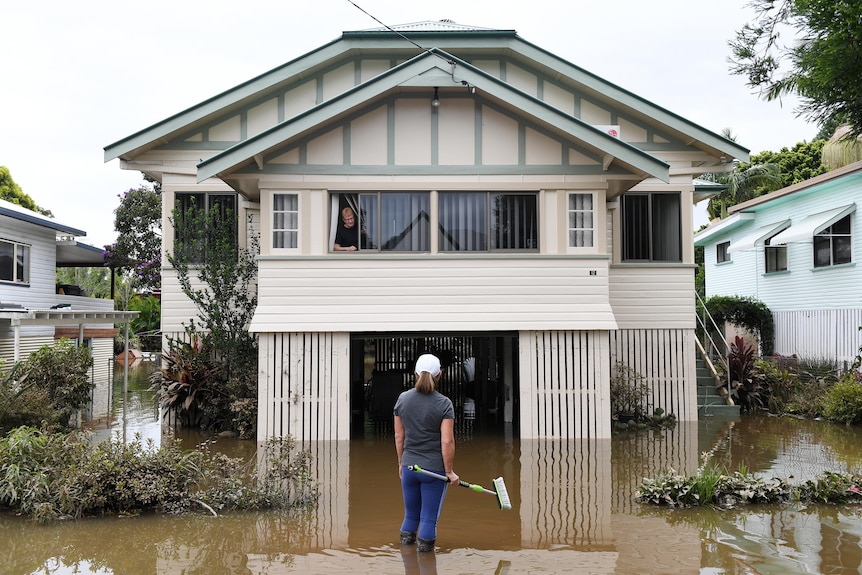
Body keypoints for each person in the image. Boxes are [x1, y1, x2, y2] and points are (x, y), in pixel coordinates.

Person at [394, 353, 458, 553]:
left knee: (410, 515)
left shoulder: (402, 399)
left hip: (409, 466)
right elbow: (446, 442)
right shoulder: (444, 404)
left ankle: (408, 558)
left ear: (415, 374)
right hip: (433, 471)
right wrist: (449, 472)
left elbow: (399, 437)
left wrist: (401, 463)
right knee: (428, 518)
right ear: (440, 374)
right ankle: (426, 560)